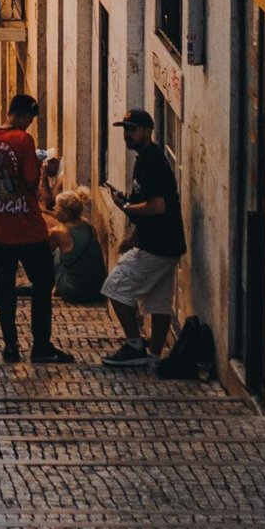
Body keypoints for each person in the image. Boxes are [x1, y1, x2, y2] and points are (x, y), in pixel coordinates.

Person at [0, 92, 73, 365]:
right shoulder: (22, 140)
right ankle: (41, 346)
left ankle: (10, 347)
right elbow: (31, 182)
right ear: (23, 116)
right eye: (30, 119)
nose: (30, 124)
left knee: (5, 287)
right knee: (43, 283)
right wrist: (43, 171)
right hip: (27, 228)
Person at [101, 108, 187, 367]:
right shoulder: (149, 158)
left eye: (133, 130)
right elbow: (151, 208)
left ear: (148, 132)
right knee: (159, 302)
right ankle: (154, 357)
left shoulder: (150, 161)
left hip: (157, 246)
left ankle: (135, 345)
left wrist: (125, 207)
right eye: (126, 130)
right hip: (167, 244)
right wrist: (132, 235)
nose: (128, 135)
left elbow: (157, 206)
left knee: (114, 287)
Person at [48, 189, 107, 304]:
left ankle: (53, 287)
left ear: (66, 213)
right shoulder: (88, 226)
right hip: (96, 290)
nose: (54, 209)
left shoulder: (59, 232)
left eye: (57, 207)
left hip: (74, 291)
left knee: (55, 254)